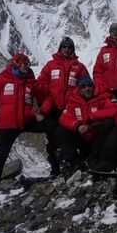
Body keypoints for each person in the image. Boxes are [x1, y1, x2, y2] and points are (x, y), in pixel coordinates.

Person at [0, 53, 57, 205]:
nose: (26, 66)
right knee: (1, 158)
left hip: (27, 120)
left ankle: (58, 168)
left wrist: (42, 111)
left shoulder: (32, 82)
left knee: (54, 128)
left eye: (28, 64)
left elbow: (48, 96)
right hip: (7, 125)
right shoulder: (3, 79)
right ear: (16, 64)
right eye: (23, 63)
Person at [37, 37, 89, 171]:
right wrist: (45, 103)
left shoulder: (79, 67)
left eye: (69, 47)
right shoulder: (50, 65)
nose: (66, 49)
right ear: (60, 49)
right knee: (53, 140)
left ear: (73, 49)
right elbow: (41, 84)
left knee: (70, 136)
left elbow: (86, 86)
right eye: (64, 47)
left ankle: (72, 163)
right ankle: (55, 168)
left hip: (69, 109)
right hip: (52, 109)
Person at [56, 76, 117, 176]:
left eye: (89, 86)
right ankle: (74, 162)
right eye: (83, 86)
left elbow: (116, 109)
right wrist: (77, 126)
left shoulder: (104, 96)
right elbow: (64, 118)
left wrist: (93, 117)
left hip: (99, 138)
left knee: (109, 123)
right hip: (83, 137)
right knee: (61, 131)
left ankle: (98, 158)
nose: (87, 88)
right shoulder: (73, 101)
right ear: (79, 88)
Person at [93, 23, 117, 105]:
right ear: (110, 33)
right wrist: (100, 85)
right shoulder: (104, 50)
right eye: (112, 31)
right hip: (107, 91)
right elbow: (97, 71)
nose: (115, 32)